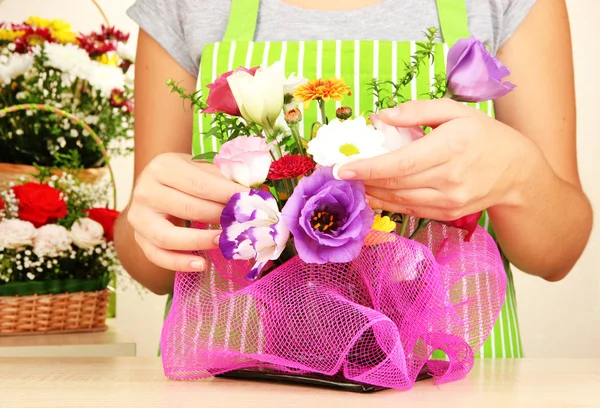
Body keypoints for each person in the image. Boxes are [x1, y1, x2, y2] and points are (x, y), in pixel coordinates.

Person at [115, 0, 593, 358]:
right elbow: (153, 268)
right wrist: (154, 217)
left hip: (451, 386)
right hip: (236, 380)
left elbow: (557, 255)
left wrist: (520, 175)